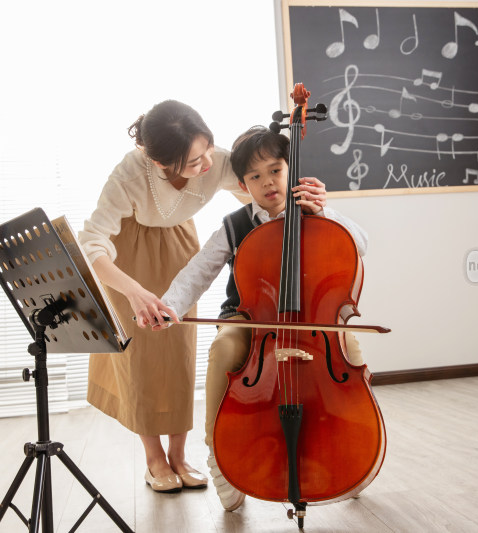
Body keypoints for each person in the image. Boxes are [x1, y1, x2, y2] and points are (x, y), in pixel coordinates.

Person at [150, 126, 368, 510]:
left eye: (275, 170)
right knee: (223, 348)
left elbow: (360, 244)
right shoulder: (234, 225)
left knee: (350, 346)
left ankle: (355, 445)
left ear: (290, 169)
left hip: (313, 320)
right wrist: (168, 305)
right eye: (255, 176)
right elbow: (198, 272)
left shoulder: (314, 212)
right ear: (242, 183)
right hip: (248, 317)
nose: (268, 182)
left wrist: (326, 211)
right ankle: (218, 453)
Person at [78, 100, 250, 494]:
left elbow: (256, 190)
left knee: (179, 354)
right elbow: (92, 242)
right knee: (141, 357)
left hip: (178, 247)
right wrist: (133, 291)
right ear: (160, 163)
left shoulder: (214, 160)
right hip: (129, 257)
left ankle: (179, 455)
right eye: (193, 161)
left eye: (208, 148)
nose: (207, 163)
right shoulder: (128, 175)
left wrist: (298, 193)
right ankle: (154, 457)